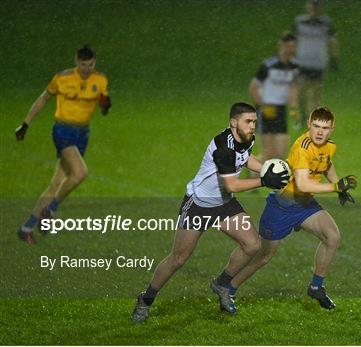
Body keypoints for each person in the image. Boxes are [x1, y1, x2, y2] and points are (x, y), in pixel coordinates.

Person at [131, 103, 290, 321]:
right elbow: (232, 185)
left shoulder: (247, 139)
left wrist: (266, 168)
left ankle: (222, 284)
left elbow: (245, 159)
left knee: (252, 245)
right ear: (233, 122)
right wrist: (264, 180)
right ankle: (145, 300)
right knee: (178, 258)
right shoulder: (222, 148)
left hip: (224, 205)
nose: (253, 126)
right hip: (199, 205)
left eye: (254, 122)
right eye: (248, 121)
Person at [228, 106, 357, 310]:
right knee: (263, 256)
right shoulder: (302, 147)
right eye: (316, 126)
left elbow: (327, 164)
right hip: (282, 207)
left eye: (325, 127)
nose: (320, 132)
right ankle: (229, 287)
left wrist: (339, 187)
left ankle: (316, 287)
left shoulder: (329, 146)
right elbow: (303, 184)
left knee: (332, 236)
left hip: (305, 205)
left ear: (332, 128)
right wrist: (334, 187)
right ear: (309, 125)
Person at [15, 45, 111, 245]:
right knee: (80, 173)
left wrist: (105, 106)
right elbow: (43, 99)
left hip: (83, 134)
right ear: (76, 62)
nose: (87, 68)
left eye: (91, 64)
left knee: (57, 182)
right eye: (83, 64)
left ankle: (26, 228)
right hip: (63, 131)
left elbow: (103, 105)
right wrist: (25, 124)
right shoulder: (62, 78)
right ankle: (49, 210)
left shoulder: (100, 80)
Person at [249, 31, 300, 163]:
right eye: (288, 47)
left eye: (293, 47)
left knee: (281, 153)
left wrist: (294, 109)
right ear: (280, 45)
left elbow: (293, 89)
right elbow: (253, 88)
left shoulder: (294, 67)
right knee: (268, 154)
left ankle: (258, 174)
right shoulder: (268, 65)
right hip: (266, 109)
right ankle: (248, 170)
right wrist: (262, 106)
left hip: (281, 110)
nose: (290, 50)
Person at [293, 0, 338, 129]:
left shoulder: (326, 23)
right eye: (311, 6)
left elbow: (332, 40)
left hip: (318, 63)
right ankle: (302, 116)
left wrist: (334, 59)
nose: (314, 9)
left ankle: (311, 120)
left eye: (316, 6)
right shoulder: (299, 21)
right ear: (307, 7)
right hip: (302, 62)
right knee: (300, 91)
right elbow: (293, 40)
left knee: (315, 94)